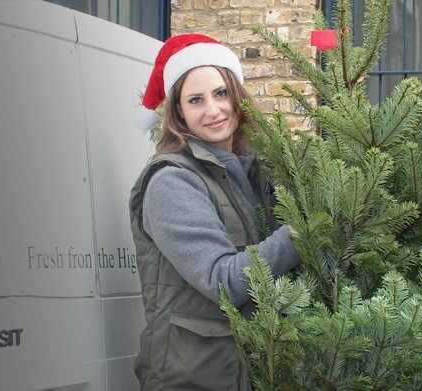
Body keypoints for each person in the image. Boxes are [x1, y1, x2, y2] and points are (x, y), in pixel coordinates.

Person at [128, 34, 301, 390]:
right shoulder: (171, 182)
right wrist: (302, 233)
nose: (213, 110)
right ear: (179, 112)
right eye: (196, 100)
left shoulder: (256, 169)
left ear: (237, 96)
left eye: (221, 93)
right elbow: (222, 280)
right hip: (195, 379)